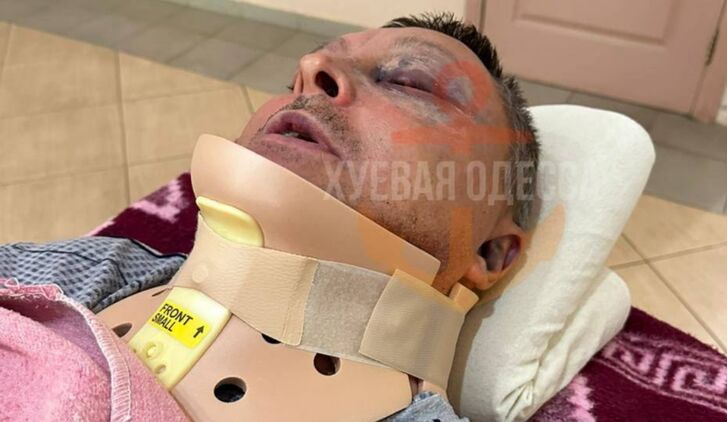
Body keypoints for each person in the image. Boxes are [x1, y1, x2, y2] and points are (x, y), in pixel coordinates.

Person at [0, 12, 539, 421]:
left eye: (408, 81)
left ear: (490, 252)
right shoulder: (76, 273)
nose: (310, 71)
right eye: (292, 81)